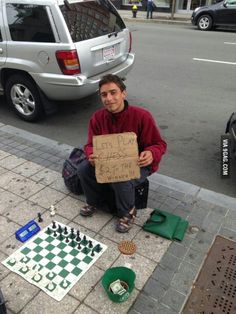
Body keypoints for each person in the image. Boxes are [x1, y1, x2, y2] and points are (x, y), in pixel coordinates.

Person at [78, 74, 167, 233]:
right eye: (104, 95)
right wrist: (91, 154)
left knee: (121, 177)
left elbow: (160, 144)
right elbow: (90, 144)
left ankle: (128, 212)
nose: (109, 98)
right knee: (83, 168)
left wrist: (151, 153)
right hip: (107, 161)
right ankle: (93, 201)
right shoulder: (97, 118)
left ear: (123, 93)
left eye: (113, 92)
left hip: (139, 163)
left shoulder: (142, 116)